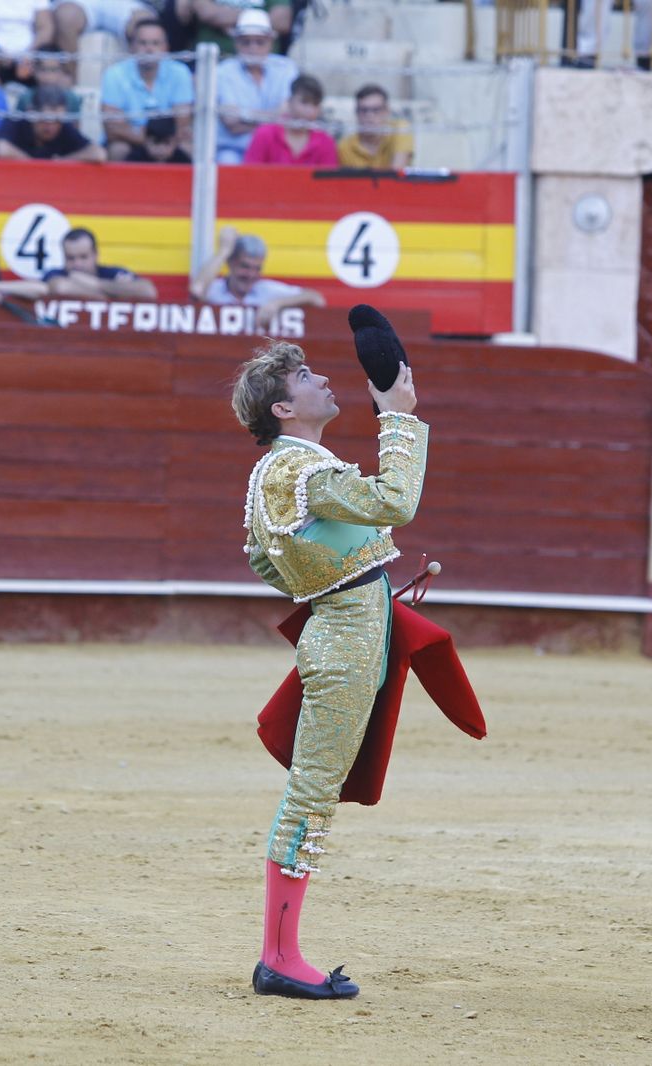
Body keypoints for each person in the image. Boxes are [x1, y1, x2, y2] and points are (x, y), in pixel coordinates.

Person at [232, 339, 424, 1001]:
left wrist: (340, 583)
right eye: (308, 377)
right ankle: (279, 957)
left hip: (343, 634)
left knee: (314, 792)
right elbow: (397, 502)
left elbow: (264, 558)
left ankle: (280, 951)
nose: (324, 380)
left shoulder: (287, 468)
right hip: (343, 645)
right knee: (310, 797)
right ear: (285, 406)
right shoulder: (297, 469)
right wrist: (397, 418)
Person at [190, 226, 323, 330]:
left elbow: (316, 298)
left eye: (257, 269)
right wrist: (224, 250)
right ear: (231, 262)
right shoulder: (215, 289)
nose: (251, 275)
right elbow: (197, 289)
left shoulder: (267, 291)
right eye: (245, 266)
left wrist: (277, 304)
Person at [99, 17, 192, 160]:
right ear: (132, 47)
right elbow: (112, 127)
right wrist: (149, 140)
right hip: (131, 142)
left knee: (189, 148)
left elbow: (182, 123)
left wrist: (159, 141)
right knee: (118, 149)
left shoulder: (180, 72)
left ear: (166, 48)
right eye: (143, 43)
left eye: (155, 43)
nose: (149, 49)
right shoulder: (114, 73)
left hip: (168, 143)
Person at [214, 9, 296, 164]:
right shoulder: (223, 71)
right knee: (227, 161)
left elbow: (288, 116)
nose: (253, 48)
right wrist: (272, 119)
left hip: (276, 149)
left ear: (271, 42)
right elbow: (231, 122)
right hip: (235, 150)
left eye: (260, 42)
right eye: (246, 42)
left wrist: (245, 117)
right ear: (236, 43)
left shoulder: (286, 67)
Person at [0, 82, 105, 159]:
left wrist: (61, 162)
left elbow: (98, 154)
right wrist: (35, 166)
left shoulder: (63, 127)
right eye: (46, 119)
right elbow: (2, 149)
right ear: (31, 112)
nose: (51, 127)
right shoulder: (17, 121)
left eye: (57, 120)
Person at [243, 73, 335, 166]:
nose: (309, 110)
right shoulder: (265, 134)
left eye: (315, 104)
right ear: (289, 101)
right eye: (304, 102)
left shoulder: (325, 142)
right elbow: (250, 175)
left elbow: (329, 179)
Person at [42, 227, 158, 299]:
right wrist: (115, 292)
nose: (77, 264)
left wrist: (96, 284)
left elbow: (148, 291)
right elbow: (61, 288)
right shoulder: (56, 273)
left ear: (95, 254)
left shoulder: (111, 272)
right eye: (70, 258)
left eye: (83, 257)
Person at [336, 83, 412, 170]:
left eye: (376, 110)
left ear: (387, 111)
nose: (369, 116)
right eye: (364, 110)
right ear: (356, 113)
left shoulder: (400, 129)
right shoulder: (345, 147)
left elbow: (397, 175)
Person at [177, 0, 289, 58]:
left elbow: (282, 21)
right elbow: (206, 13)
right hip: (213, 61)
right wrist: (258, 19)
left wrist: (225, 17)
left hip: (262, 64)